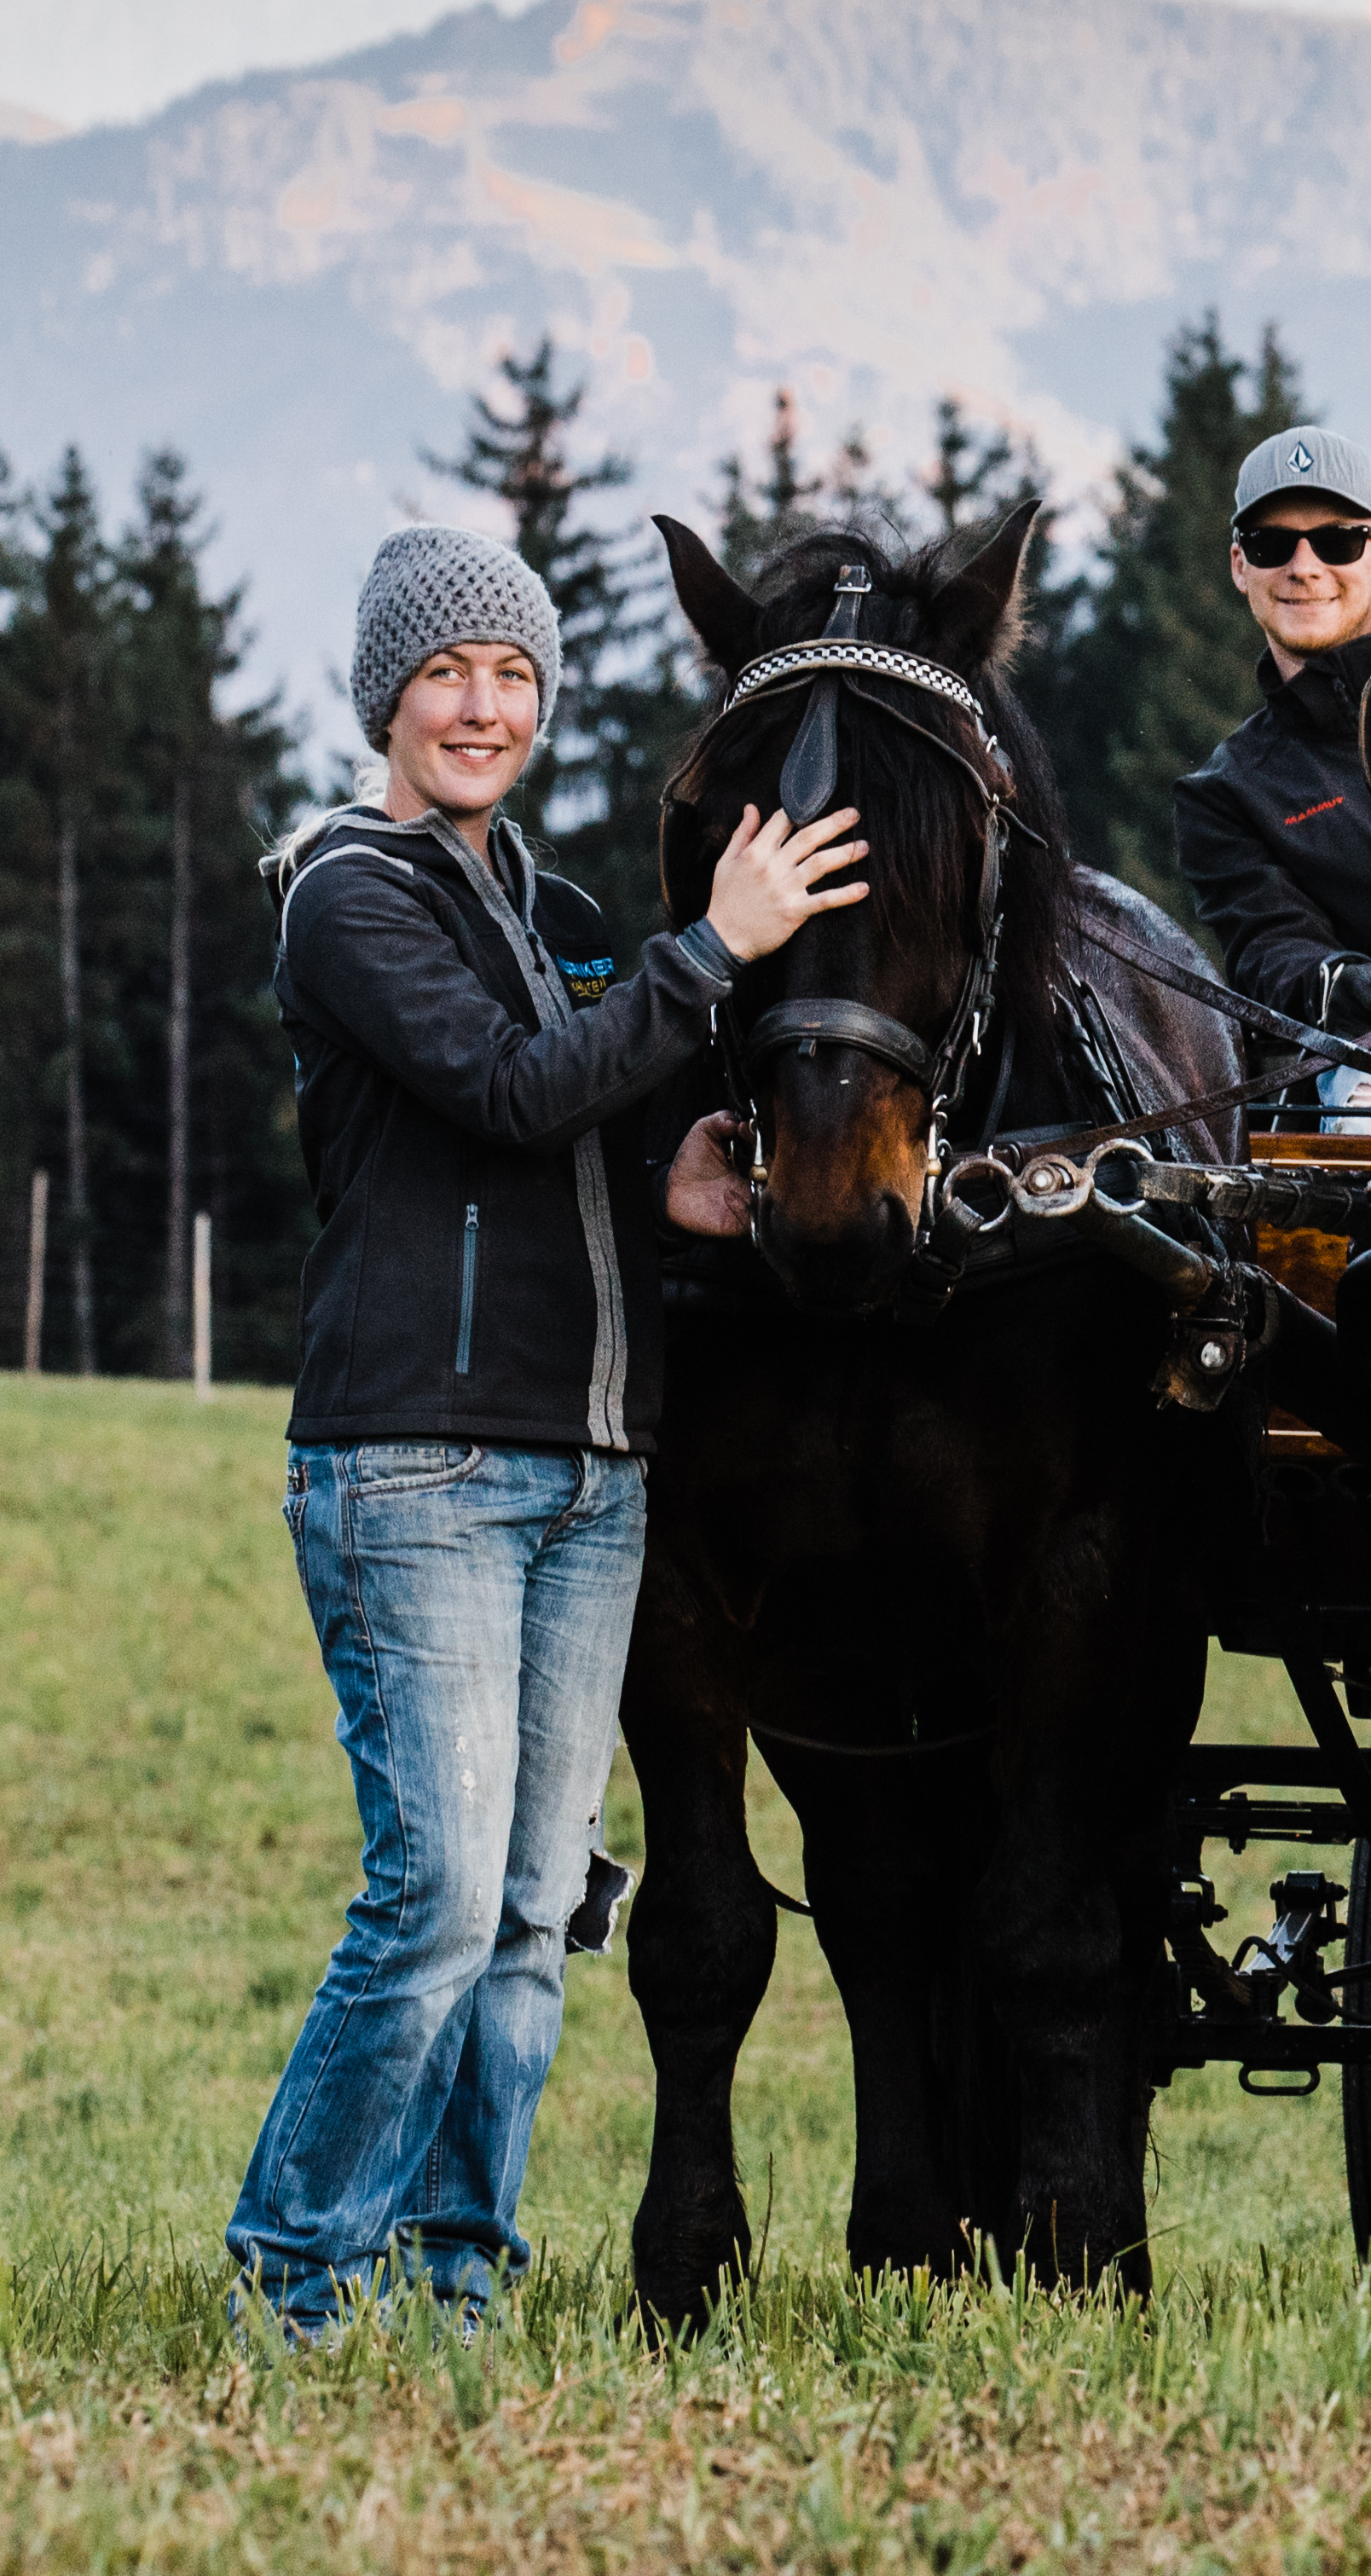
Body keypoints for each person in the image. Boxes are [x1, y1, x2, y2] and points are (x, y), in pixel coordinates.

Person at [232, 524, 866, 2342]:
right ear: (387, 696)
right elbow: (513, 1091)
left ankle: (458, 2272)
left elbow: (604, 1133)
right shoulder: (346, 895)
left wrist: (699, 1160)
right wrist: (715, 950)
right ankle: (294, 2271)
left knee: (532, 1911)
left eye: (511, 674)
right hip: (417, 1458)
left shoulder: (563, 918)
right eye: (446, 673)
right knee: (433, 1897)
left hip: (593, 1467)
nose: (482, 705)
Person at [1171, 423, 1371, 1048]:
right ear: (1239, 566)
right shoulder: (1223, 793)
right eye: (1271, 543)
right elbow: (1269, 944)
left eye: (1338, 542)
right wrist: (1333, 984)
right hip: (1370, 1075)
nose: (1304, 567)